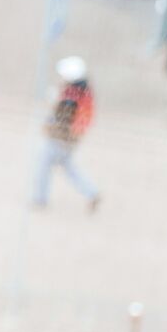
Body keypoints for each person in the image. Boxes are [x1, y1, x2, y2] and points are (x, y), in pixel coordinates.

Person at [33, 53, 102, 212]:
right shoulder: (84, 93)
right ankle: (91, 192)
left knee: (44, 165)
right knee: (69, 167)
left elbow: (61, 119)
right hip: (72, 140)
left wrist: (49, 127)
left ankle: (40, 198)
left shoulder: (71, 96)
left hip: (60, 139)